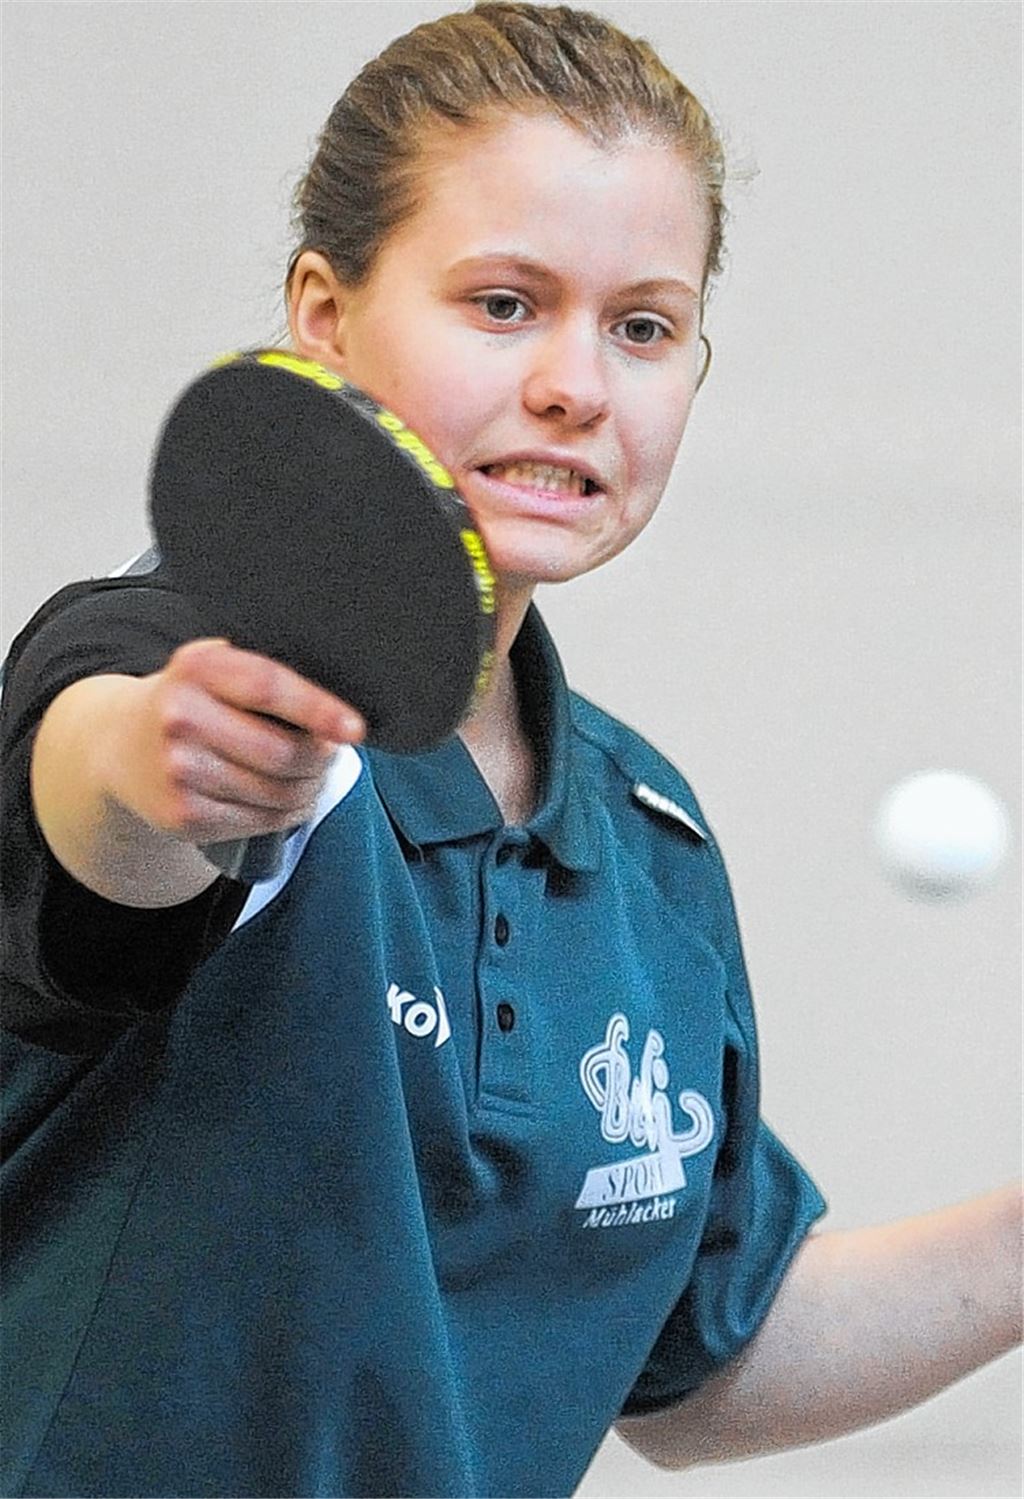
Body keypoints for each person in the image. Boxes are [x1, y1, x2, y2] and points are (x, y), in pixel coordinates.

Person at [1, 4, 1019, 1497]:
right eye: (503, 303)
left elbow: (701, 1364)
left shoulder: (646, 843)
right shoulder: (176, 659)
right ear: (325, 315)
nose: (575, 385)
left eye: (642, 327)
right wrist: (166, 766)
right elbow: (106, 805)